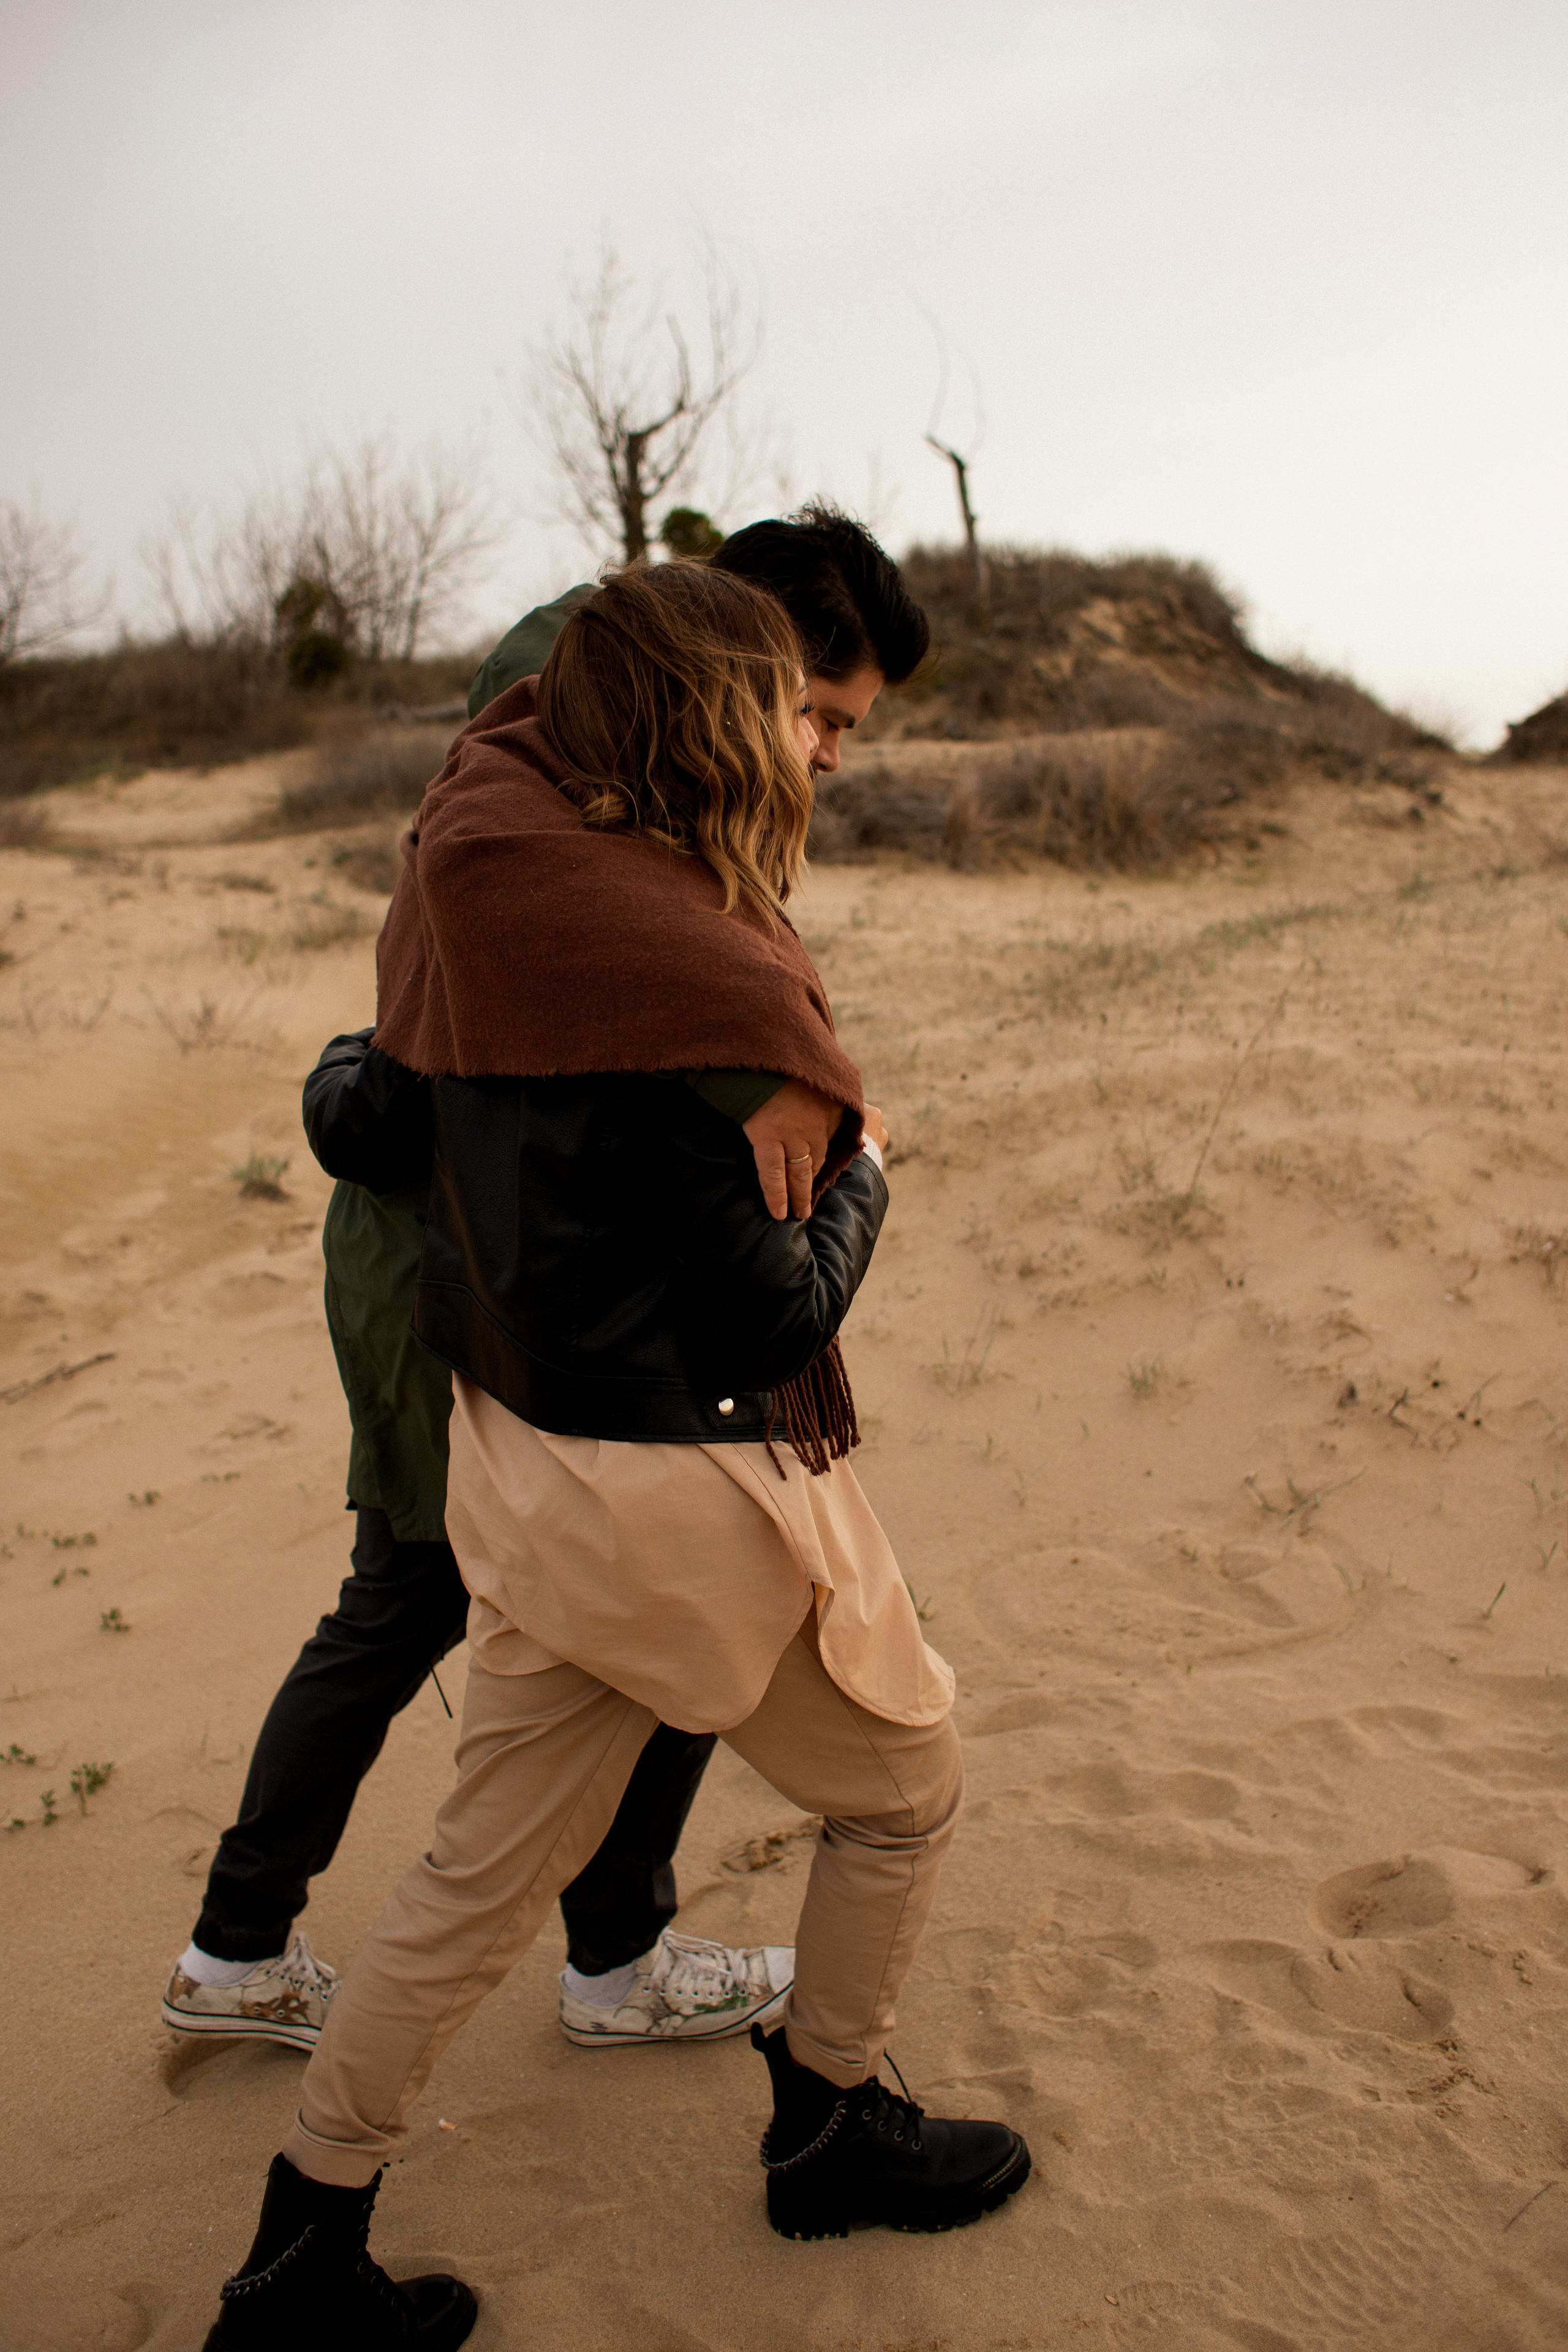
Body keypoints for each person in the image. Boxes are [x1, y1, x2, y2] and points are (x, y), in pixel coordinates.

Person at [200, 564, 1028, 2350]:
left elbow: (372, 1111)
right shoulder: (689, 977)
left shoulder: (488, 915)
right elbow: (769, 1318)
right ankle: (829, 2126)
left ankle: (297, 2255)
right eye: (792, 716)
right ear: (713, 727)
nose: (811, 749)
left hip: (524, 1469)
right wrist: (870, 1155)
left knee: (467, 1884)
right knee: (906, 1786)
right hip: (672, 1493)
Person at [161, 507, 932, 2057]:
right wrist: (771, 1071)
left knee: (589, 1608)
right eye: (818, 717)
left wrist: (764, 1057)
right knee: (428, 1593)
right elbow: (507, 923)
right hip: (464, 1263)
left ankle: (591, 1948)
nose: (829, 760)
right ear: (740, 674)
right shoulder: (569, 710)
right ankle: (263, 1949)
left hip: (503, 1243)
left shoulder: (629, 776)